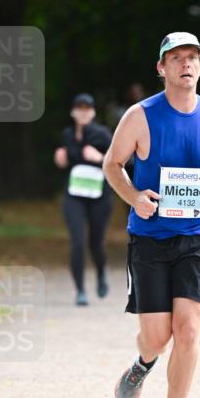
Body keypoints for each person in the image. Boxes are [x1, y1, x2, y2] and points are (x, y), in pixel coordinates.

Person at [103, 32, 200, 398]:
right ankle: (143, 363)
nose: (186, 64)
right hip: (150, 239)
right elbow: (113, 165)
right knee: (158, 337)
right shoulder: (140, 116)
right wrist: (134, 197)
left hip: (198, 236)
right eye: (176, 58)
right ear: (161, 68)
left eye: (192, 57)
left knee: (188, 330)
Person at [54, 93, 114, 305]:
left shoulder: (103, 134)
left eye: (87, 108)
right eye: (79, 108)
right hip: (74, 196)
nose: (83, 112)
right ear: (73, 111)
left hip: (99, 196)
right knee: (77, 242)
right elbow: (64, 159)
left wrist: (100, 158)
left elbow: (123, 161)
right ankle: (80, 290)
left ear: (93, 112)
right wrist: (60, 159)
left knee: (95, 242)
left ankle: (100, 274)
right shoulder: (68, 134)